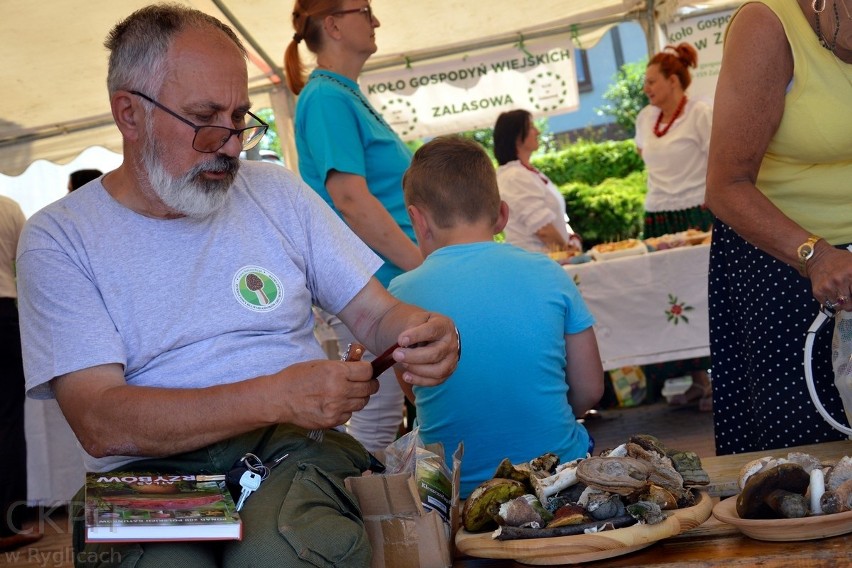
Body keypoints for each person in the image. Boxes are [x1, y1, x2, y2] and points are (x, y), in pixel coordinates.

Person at [15, 5, 459, 566]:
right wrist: (276, 394)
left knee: (282, 550)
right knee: (164, 563)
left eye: (241, 116)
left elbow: (374, 314)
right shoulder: (59, 238)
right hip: (145, 476)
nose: (231, 143)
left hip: (294, 452)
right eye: (206, 118)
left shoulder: (276, 192)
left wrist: (421, 330)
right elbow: (100, 423)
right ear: (129, 114)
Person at [388, 136, 604, 498]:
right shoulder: (549, 272)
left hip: (456, 491)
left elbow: (415, 393)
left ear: (417, 220)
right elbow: (590, 389)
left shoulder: (398, 296)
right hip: (559, 477)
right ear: (502, 215)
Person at [705, 0, 852, 454]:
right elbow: (725, 186)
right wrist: (817, 255)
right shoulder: (766, 27)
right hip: (785, 263)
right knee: (809, 456)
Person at [284, 0, 423, 452]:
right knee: (376, 420)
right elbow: (350, 200)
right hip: (374, 284)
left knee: (385, 415)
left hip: (386, 279)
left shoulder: (339, 93)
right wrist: (421, 265)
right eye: (365, 9)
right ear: (335, 25)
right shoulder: (325, 97)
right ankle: (367, 518)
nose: (376, 19)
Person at [635, 42, 714, 412]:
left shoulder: (699, 114)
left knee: (703, 295)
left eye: (652, 81)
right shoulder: (644, 119)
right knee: (670, 299)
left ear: (673, 80)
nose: (646, 88)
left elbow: (717, 160)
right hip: (658, 217)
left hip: (696, 215)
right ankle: (697, 381)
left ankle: (717, 381)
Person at [0, 195, 42, 552]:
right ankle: (8, 522)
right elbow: (24, 262)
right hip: (2, 315)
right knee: (7, 422)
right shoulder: (7, 207)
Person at [493, 109, 582, 255]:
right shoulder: (514, 176)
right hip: (538, 260)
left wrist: (570, 238)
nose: (538, 132)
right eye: (531, 127)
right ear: (516, 136)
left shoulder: (526, 172)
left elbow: (553, 217)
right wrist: (568, 250)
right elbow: (543, 228)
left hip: (548, 257)